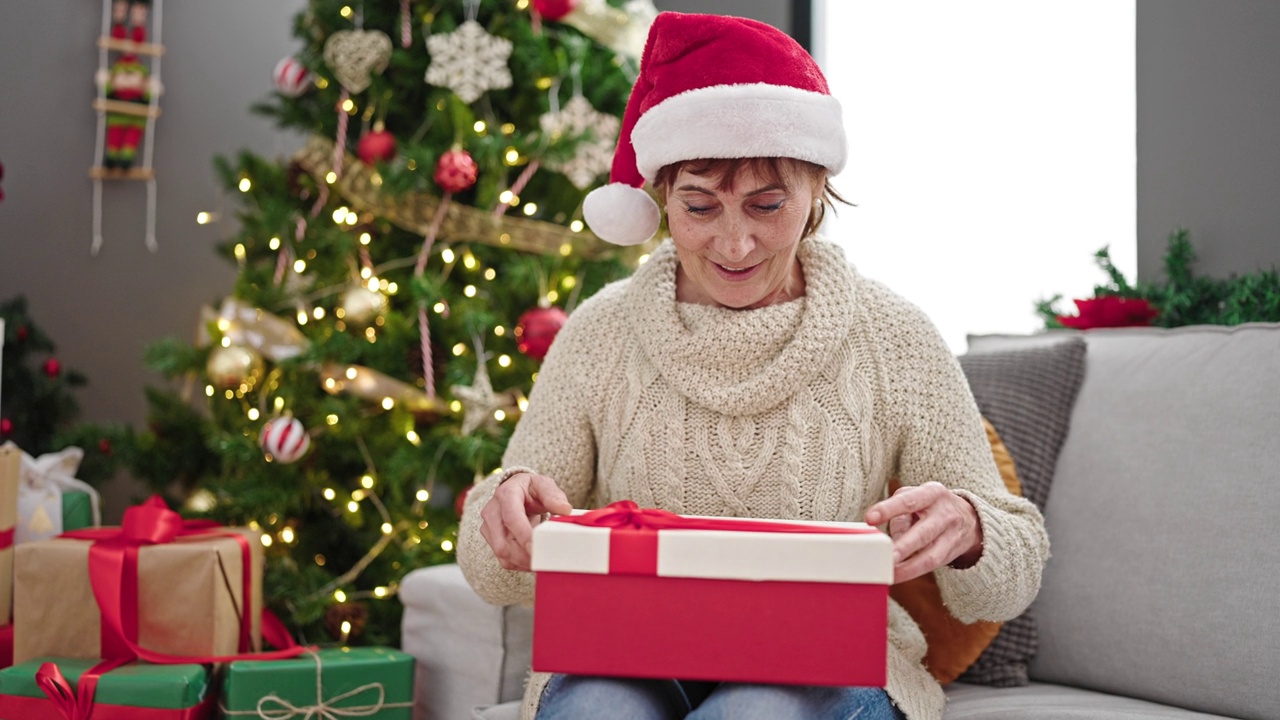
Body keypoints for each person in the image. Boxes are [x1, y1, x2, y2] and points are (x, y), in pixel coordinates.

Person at [457, 11, 1049, 720]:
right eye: (700, 207)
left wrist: (974, 528)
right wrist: (507, 512)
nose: (734, 243)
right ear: (660, 202)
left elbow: (1009, 574)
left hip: (832, 666)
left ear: (815, 195)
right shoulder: (602, 334)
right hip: (630, 655)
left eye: (767, 205)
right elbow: (495, 572)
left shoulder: (891, 337)